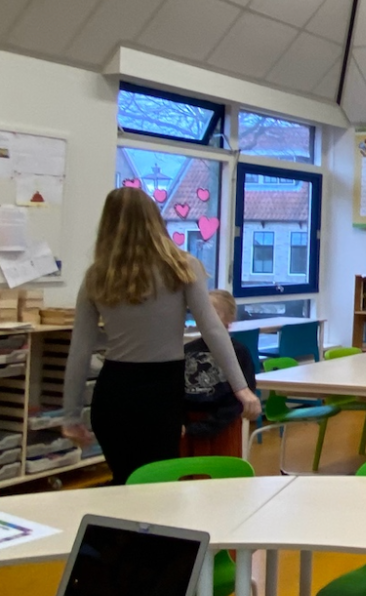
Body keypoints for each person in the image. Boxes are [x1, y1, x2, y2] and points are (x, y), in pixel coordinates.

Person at [62, 187, 261, 485]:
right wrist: (241, 388)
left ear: (108, 224)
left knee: (124, 482)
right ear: (156, 220)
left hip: (114, 391)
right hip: (162, 393)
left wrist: (70, 415)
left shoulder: (98, 275)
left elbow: (80, 349)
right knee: (157, 485)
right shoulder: (181, 267)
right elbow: (212, 328)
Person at [182, 290, 258, 458]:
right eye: (201, 312)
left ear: (229, 318)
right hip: (188, 428)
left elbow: (241, 396)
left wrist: (208, 426)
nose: (205, 318)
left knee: (222, 472)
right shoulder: (186, 351)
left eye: (212, 313)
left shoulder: (238, 352)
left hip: (223, 426)